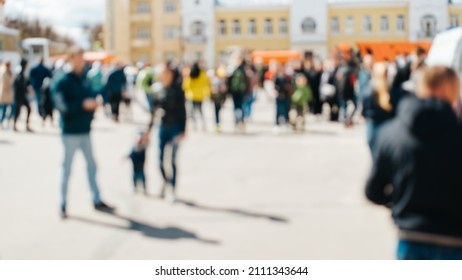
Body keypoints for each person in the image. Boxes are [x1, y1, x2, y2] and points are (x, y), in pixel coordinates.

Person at [365, 66, 462, 260]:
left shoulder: (391, 133)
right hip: (454, 239)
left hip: (410, 237)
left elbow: (373, 191)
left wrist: (402, 198)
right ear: (451, 90)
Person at [52, 47, 114, 219]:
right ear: (71, 59)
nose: (81, 62)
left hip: (85, 130)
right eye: (78, 58)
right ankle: (62, 203)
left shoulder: (84, 78)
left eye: (82, 58)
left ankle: (96, 198)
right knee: (66, 168)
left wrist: (95, 101)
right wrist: (82, 105)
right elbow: (61, 106)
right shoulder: (62, 80)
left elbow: (91, 93)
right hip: (70, 132)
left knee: (92, 166)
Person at [157, 63, 187, 203]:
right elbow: (154, 111)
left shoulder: (177, 91)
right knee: (160, 160)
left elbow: (183, 111)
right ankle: (165, 181)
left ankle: (172, 189)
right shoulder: (159, 90)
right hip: (162, 127)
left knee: (173, 160)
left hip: (175, 127)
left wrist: (183, 130)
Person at [361, 63, 394, 154]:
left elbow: (364, 110)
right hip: (387, 125)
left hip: (373, 125)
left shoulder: (369, 90)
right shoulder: (391, 91)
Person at [182, 61, 210, 131]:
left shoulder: (189, 74)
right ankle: (203, 124)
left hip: (191, 95)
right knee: (200, 111)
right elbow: (206, 83)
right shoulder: (202, 73)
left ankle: (194, 125)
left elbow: (185, 85)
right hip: (200, 95)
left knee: (192, 111)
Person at [228, 58, 250, 132]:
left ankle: (241, 121)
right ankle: (237, 121)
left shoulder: (243, 69)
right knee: (236, 106)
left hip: (241, 91)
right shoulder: (233, 69)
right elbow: (229, 80)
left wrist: (247, 91)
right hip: (235, 91)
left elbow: (246, 81)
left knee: (240, 106)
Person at [273, 63, 293, 133]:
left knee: (286, 109)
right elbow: (275, 86)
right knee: (279, 110)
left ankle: (286, 122)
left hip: (286, 95)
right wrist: (279, 92)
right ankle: (277, 124)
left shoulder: (288, 77)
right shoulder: (277, 77)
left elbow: (291, 86)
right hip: (279, 96)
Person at [13, 59, 32, 132]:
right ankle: (14, 125)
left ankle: (26, 125)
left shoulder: (23, 72)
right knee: (17, 111)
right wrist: (27, 90)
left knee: (28, 109)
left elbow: (25, 82)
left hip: (22, 95)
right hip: (19, 95)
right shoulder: (19, 71)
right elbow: (21, 84)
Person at [128, 130, 149, 195]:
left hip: (141, 167)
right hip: (135, 167)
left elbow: (148, 141)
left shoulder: (143, 147)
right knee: (134, 178)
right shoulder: (133, 147)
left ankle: (144, 188)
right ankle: (135, 187)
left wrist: (146, 136)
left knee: (142, 178)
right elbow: (130, 154)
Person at [209, 67, 227, 133]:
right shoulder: (220, 81)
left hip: (216, 99)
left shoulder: (213, 81)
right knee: (218, 111)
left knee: (216, 112)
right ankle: (218, 124)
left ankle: (217, 124)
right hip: (219, 99)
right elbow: (224, 91)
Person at [0, 61, 14, 129]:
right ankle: (1, 122)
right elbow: (4, 83)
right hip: (5, 93)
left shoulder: (9, 72)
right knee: (4, 109)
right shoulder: (3, 72)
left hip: (8, 93)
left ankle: (8, 121)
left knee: (11, 108)